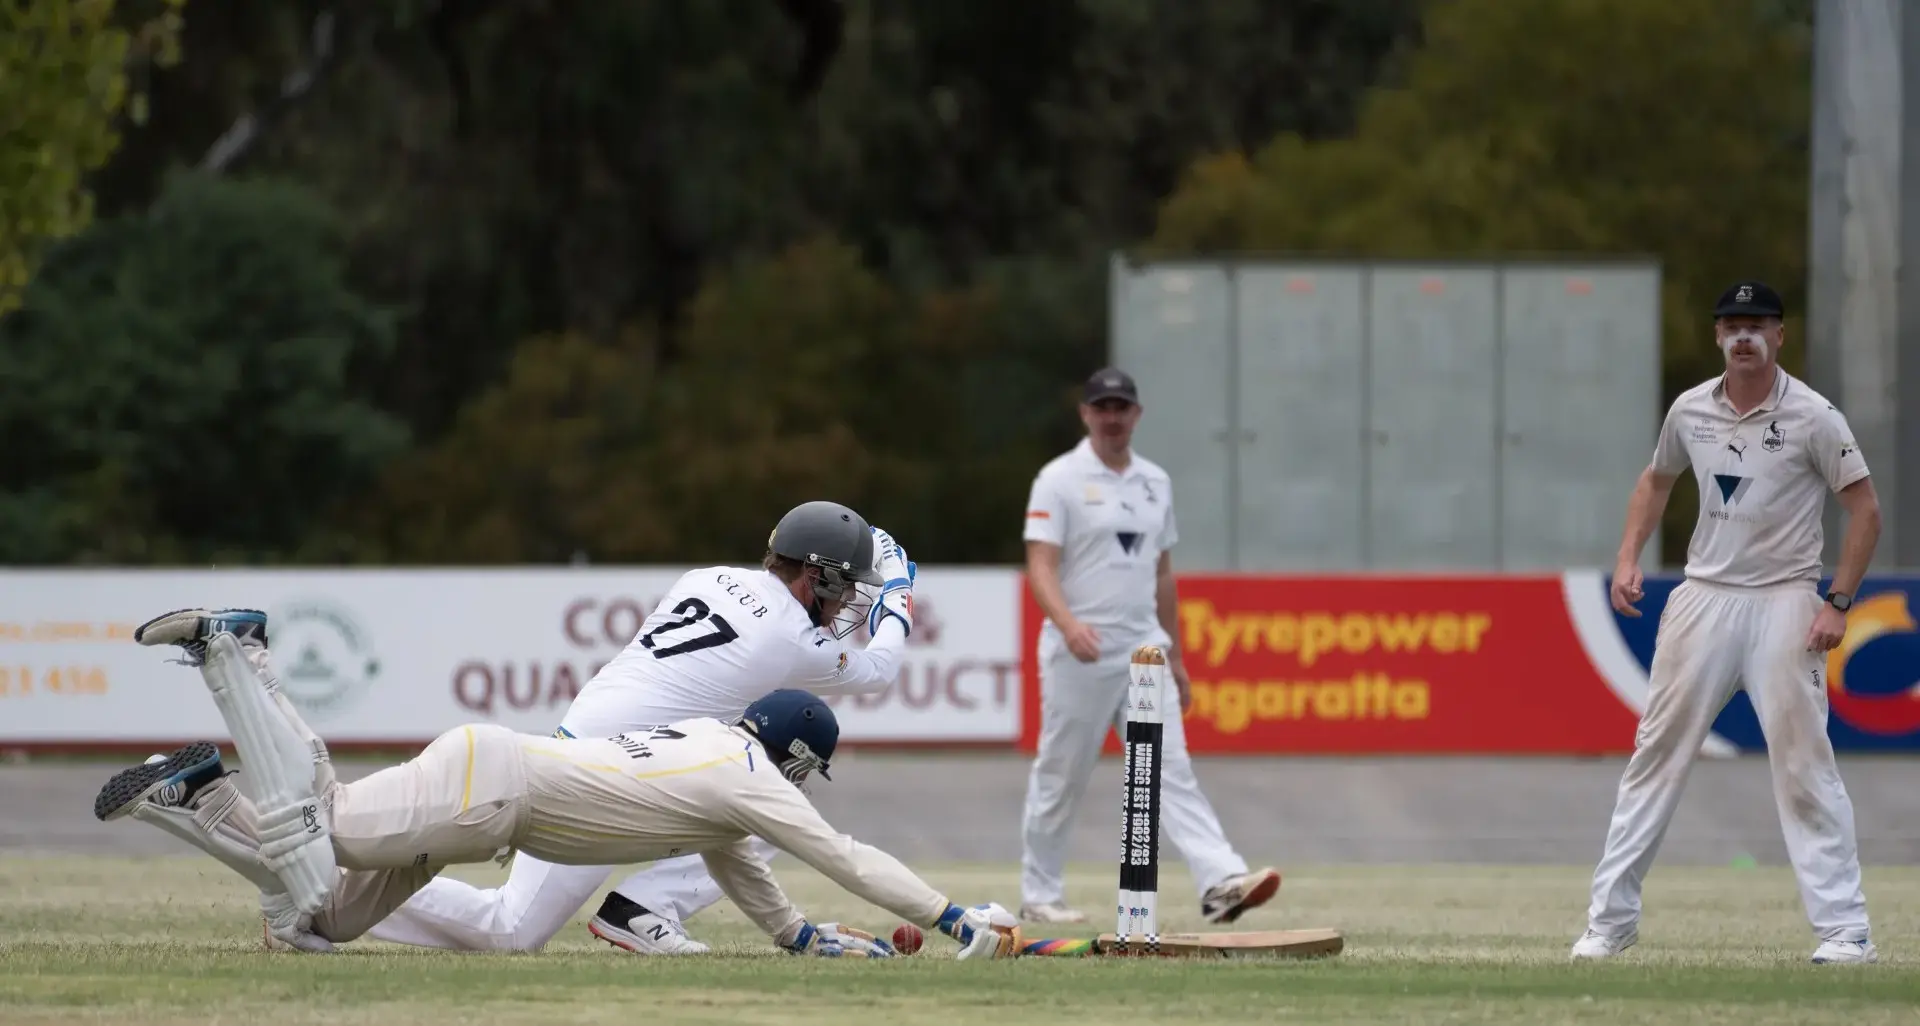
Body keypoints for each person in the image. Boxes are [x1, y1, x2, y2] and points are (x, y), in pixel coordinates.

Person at [96, 608, 1027, 960]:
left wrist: (809, 942)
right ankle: (238, 651)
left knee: (319, 920)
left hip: (492, 799)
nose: (804, 789)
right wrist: (954, 922)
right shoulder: (749, 777)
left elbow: (764, 895)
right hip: (493, 783)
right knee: (323, 825)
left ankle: (196, 794)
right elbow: (848, 856)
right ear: (789, 753)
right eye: (806, 772)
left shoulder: (719, 773)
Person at [343, 501, 916, 955]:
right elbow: (878, 670)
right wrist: (898, 597)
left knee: (756, 794)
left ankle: (639, 909)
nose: (845, 607)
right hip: (606, 772)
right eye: (843, 589)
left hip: (588, 740)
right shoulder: (788, 638)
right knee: (510, 928)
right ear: (810, 576)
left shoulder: (707, 577)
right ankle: (640, 910)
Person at [1574, 281, 1882, 965]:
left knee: (1804, 762)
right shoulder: (1690, 410)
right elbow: (1656, 480)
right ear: (1717, 337)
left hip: (1785, 599)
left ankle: (1844, 930)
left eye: (1758, 325)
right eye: (1732, 326)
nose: (1744, 336)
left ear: (1780, 335)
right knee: (1655, 754)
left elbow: (1866, 510)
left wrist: (1838, 602)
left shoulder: (1813, 416)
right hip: (1704, 597)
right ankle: (1609, 921)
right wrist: (1628, 556)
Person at [1016, 367, 1280, 926]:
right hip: (1079, 652)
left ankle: (1220, 881)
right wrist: (1067, 625)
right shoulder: (1058, 479)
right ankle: (1040, 894)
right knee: (1062, 772)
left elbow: (1162, 574)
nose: (1112, 417)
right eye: (1102, 407)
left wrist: (1177, 655)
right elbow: (1041, 563)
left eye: (1121, 407)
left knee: (1170, 767)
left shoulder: (1156, 481)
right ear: (1086, 414)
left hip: (1144, 651)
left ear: (1136, 414)